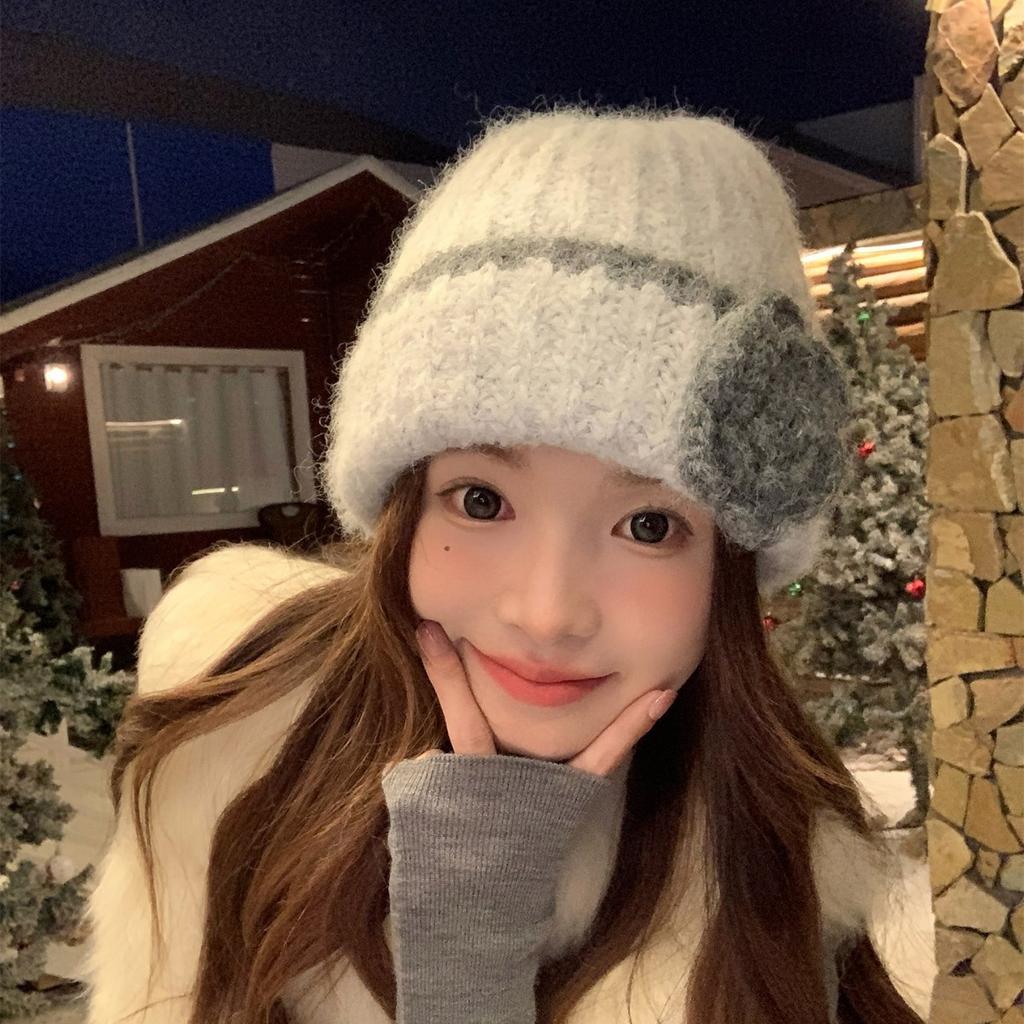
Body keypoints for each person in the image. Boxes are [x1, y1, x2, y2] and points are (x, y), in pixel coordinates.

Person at [82, 106, 927, 1024]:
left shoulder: (776, 857)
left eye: (648, 525)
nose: (546, 612)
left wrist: (471, 970)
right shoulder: (231, 764)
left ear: (728, 569)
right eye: (482, 501)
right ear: (402, 514)